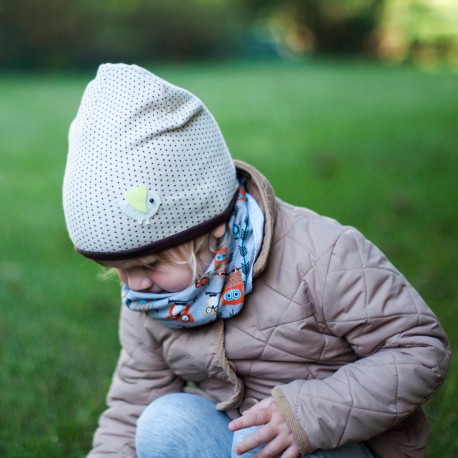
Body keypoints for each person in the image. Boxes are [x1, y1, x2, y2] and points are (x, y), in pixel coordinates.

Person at [63, 63, 450, 458]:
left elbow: (420, 351)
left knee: (260, 442)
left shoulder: (321, 253)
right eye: (119, 271)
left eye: (149, 265)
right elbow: (132, 403)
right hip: (241, 439)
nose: (135, 286)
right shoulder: (153, 298)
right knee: (164, 421)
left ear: (211, 225)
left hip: (337, 440)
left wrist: (308, 413)